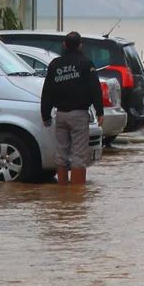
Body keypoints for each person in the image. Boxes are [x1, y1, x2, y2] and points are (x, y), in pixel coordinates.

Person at [40, 32, 104, 185]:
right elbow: (95, 89)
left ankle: (62, 191)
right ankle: (76, 196)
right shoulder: (86, 64)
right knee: (79, 156)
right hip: (79, 115)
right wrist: (100, 111)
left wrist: (45, 114)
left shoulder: (55, 65)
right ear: (81, 45)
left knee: (61, 154)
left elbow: (47, 91)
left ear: (64, 45)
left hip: (60, 115)